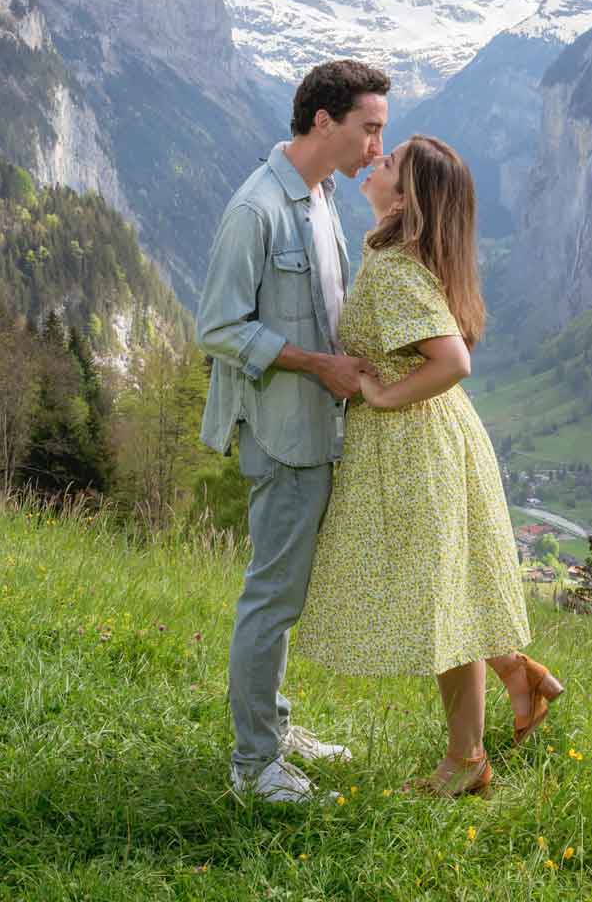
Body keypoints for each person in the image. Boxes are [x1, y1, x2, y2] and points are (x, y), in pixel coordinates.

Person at [293, 134, 564, 797]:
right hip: (432, 441)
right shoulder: (405, 256)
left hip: (416, 449)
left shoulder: (392, 269)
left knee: (439, 603)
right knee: (442, 594)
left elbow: (453, 360)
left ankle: (467, 760)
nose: (375, 163)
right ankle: (514, 677)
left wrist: (380, 393)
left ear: (405, 197)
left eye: (388, 165)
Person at [196, 59, 390, 803]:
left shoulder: (320, 197)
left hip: (321, 427)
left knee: (286, 595)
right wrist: (317, 366)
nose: (378, 145)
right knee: (271, 597)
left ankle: (272, 727)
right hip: (281, 432)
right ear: (323, 122)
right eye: (369, 127)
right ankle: (253, 768)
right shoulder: (258, 210)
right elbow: (217, 327)